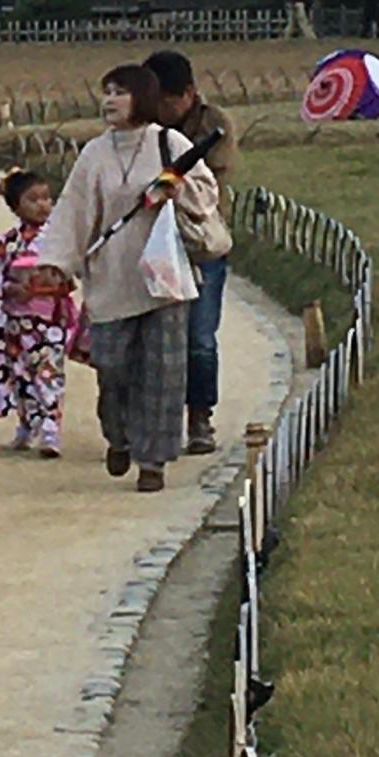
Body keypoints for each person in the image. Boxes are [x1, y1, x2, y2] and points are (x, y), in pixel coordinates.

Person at [31, 63, 218, 494]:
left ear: (142, 97)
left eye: (119, 92)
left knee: (164, 372)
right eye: (107, 91)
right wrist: (55, 262)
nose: (109, 100)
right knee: (112, 367)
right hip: (112, 278)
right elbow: (74, 210)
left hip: (164, 276)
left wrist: (177, 190)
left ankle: (154, 460)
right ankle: (119, 435)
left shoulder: (170, 143)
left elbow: (207, 192)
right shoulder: (95, 154)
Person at [145, 49, 236, 455]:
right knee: (156, 339)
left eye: (166, 100)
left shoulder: (214, 125)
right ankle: (155, 419)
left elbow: (206, 179)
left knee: (200, 336)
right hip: (153, 244)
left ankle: (200, 416)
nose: (160, 109)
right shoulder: (141, 126)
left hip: (199, 242)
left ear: (187, 94)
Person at [0, 170, 87, 458]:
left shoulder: (60, 239)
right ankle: (27, 423)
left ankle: (50, 429)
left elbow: (73, 270)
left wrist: (55, 282)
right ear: (15, 206)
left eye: (47, 198)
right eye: (33, 199)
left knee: (48, 373)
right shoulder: (9, 243)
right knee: (21, 374)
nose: (43, 205)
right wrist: (11, 289)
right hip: (17, 321)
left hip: (50, 320)